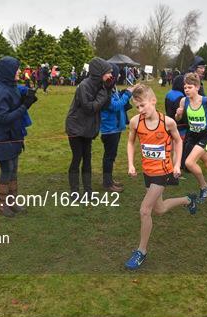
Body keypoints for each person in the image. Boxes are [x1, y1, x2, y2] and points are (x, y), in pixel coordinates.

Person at [125, 84, 198, 270]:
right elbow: (130, 142)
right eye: (137, 107)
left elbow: (178, 142)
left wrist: (176, 163)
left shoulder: (168, 122)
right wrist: (131, 164)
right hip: (147, 171)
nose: (140, 110)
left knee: (145, 210)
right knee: (160, 209)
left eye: (143, 105)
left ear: (153, 101)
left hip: (163, 171)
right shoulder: (135, 122)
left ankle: (141, 251)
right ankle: (188, 200)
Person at [0, 56, 37, 217]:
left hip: (14, 133)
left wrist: (28, 92)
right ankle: (3, 205)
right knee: (7, 169)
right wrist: (25, 106)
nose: (19, 71)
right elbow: (3, 118)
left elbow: (18, 91)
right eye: (16, 69)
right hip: (2, 135)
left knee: (14, 169)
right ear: (8, 71)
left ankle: (12, 202)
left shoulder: (11, 85)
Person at [175, 72, 207, 203]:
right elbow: (178, 118)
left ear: (197, 87)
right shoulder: (183, 101)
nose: (186, 90)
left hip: (206, 134)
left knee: (189, 162)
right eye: (185, 87)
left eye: (190, 87)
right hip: (192, 135)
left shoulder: (204, 100)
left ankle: (204, 186)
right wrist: (178, 114)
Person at [65, 57, 113, 196]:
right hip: (76, 127)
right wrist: (105, 92)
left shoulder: (101, 85)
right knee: (77, 158)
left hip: (88, 127)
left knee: (87, 158)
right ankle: (74, 192)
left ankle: (88, 191)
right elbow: (88, 107)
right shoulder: (84, 86)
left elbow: (104, 105)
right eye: (108, 72)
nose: (111, 75)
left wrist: (108, 90)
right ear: (99, 73)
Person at [100, 63, 135, 192]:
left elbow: (116, 101)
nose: (119, 75)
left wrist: (124, 92)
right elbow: (114, 106)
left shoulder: (111, 88)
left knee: (111, 155)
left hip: (115, 127)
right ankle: (107, 184)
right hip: (110, 129)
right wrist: (127, 95)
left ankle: (109, 180)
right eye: (116, 73)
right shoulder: (104, 89)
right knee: (109, 156)